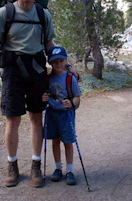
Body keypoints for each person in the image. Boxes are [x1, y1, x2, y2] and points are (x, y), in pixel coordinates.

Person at [0, 0, 80, 188]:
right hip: (12, 71)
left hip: (36, 70)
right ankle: (12, 165)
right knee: (12, 119)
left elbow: (50, 45)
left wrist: (67, 66)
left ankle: (35, 165)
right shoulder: (5, 13)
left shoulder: (43, 15)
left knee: (36, 118)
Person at [42, 46, 81, 185]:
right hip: (52, 114)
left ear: (66, 62)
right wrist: (44, 99)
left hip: (66, 115)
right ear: (50, 63)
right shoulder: (47, 79)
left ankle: (69, 170)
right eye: (55, 62)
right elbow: (45, 95)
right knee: (55, 141)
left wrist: (71, 103)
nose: (58, 64)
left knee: (68, 142)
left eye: (61, 61)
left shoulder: (70, 79)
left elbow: (77, 97)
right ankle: (58, 168)